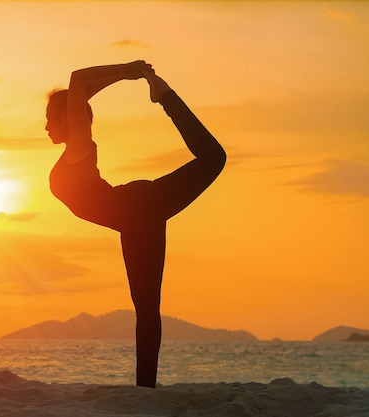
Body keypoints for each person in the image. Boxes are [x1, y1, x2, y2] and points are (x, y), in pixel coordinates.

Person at [46, 61, 226, 387]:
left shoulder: (80, 145)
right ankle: (146, 390)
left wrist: (128, 69)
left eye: (49, 118)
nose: (45, 127)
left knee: (215, 158)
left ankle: (166, 96)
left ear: (66, 118)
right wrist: (126, 75)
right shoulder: (75, 148)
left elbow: (77, 82)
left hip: (139, 208)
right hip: (135, 215)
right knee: (145, 307)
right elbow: (80, 94)